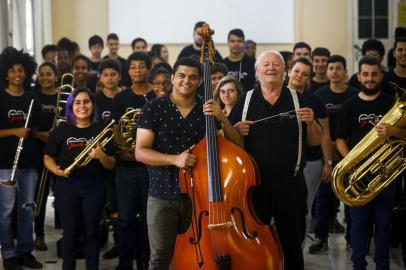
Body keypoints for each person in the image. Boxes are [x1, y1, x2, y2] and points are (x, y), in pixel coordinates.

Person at [135, 56, 242, 270]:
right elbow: (140, 152)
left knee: (197, 255)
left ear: (200, 81)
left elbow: (237, 147)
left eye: (193, 77)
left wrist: (222, 118)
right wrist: (174, 159)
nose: (187, 81)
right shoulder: (154, 108)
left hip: (199, 198)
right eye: (181, 76)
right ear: (172, 78)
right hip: (162, 195)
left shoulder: (208, 110)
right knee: (159, 258)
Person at [229, 50, 322, 270]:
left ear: (285, 71)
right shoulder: (245, 100)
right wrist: (235, 130)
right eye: (266, 64)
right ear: (257, 71)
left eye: (276, 64)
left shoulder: (299, 100)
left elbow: (316, 141)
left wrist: (311, 123)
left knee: (292, 246)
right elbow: (230, 142)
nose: (271, 68)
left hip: (291, 186)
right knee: (254, 243)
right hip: (255, 186)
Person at [335, 56, 403, 270]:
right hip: (358, 175)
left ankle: (383, 265)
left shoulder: (392, 104)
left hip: (385, 174)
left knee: (384, 223)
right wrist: (351, 162)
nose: (370, 78)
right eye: (366, 74)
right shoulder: (349, 105)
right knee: (358, 224)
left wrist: (395, 131)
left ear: (381, 76)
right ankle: (358, 265)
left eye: (374, 74)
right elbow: (340, 139)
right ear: (358, 76)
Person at [44, 87, 116, 270]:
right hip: (67, 186)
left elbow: (111, 164)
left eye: (86, 101)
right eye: (77, 102)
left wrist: (101, 155)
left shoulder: (102, 130)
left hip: (95, 187)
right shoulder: (62, 130)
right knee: (70, 233)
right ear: (70, 106)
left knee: (92, 233)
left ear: (93, 105)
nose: (82, 106)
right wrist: (57, 170)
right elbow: (47, 157)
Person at [0, 48, 43, 270]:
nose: (17, 73)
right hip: (5, 163)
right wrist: (14, 131)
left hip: (29, 161)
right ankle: (8, 253)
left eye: (21, 70)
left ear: (26, 73)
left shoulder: (31, 99)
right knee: (6, 210)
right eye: (12, 70)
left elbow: (33, 131)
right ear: (5, 75)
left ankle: (26, 251)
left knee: (27, 208)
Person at [111, 52, 154, 270]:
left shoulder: (156, 97)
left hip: (151, 168)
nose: (137, 70)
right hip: (126, 167)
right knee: (125, 219)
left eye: (141, 66)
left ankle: (146, 263)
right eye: (133, 67)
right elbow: (117, 130)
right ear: (128, 71)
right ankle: (124, 262)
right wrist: (124, 150)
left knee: (149, 221)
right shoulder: (121, 98)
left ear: (148, 69)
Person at [287, 57, 332, 251]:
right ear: (289, 71)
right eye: (297, 71)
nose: (299, 76)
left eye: (305, 74)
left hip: (310, 163)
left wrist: (328, 162)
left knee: (303, 209)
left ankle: (298, 253)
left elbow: (325, 134)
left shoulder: (315, 100)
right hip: (283, 163)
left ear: (309, 78)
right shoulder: (274, 95)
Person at [33, 62, 60, 252]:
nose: (44, 77)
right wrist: (39, 135)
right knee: (40, 196)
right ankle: (39, 234)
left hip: (60, 152)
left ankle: (68, 232)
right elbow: (29, 124)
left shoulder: (64, 96)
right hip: (38, 150)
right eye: (41, 74)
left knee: (63, 195)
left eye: (49, 74)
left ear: (56, 76)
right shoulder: (33, 97)